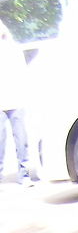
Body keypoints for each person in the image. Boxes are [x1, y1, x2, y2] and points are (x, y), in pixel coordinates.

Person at [0, 21, 34, 187]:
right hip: (7, 100)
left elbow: (22, 75)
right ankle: (21, 175)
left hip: (15, 100)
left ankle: (24, 174)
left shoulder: (13, 51)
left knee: (21, 138)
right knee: (5, 139)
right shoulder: (14, 50)